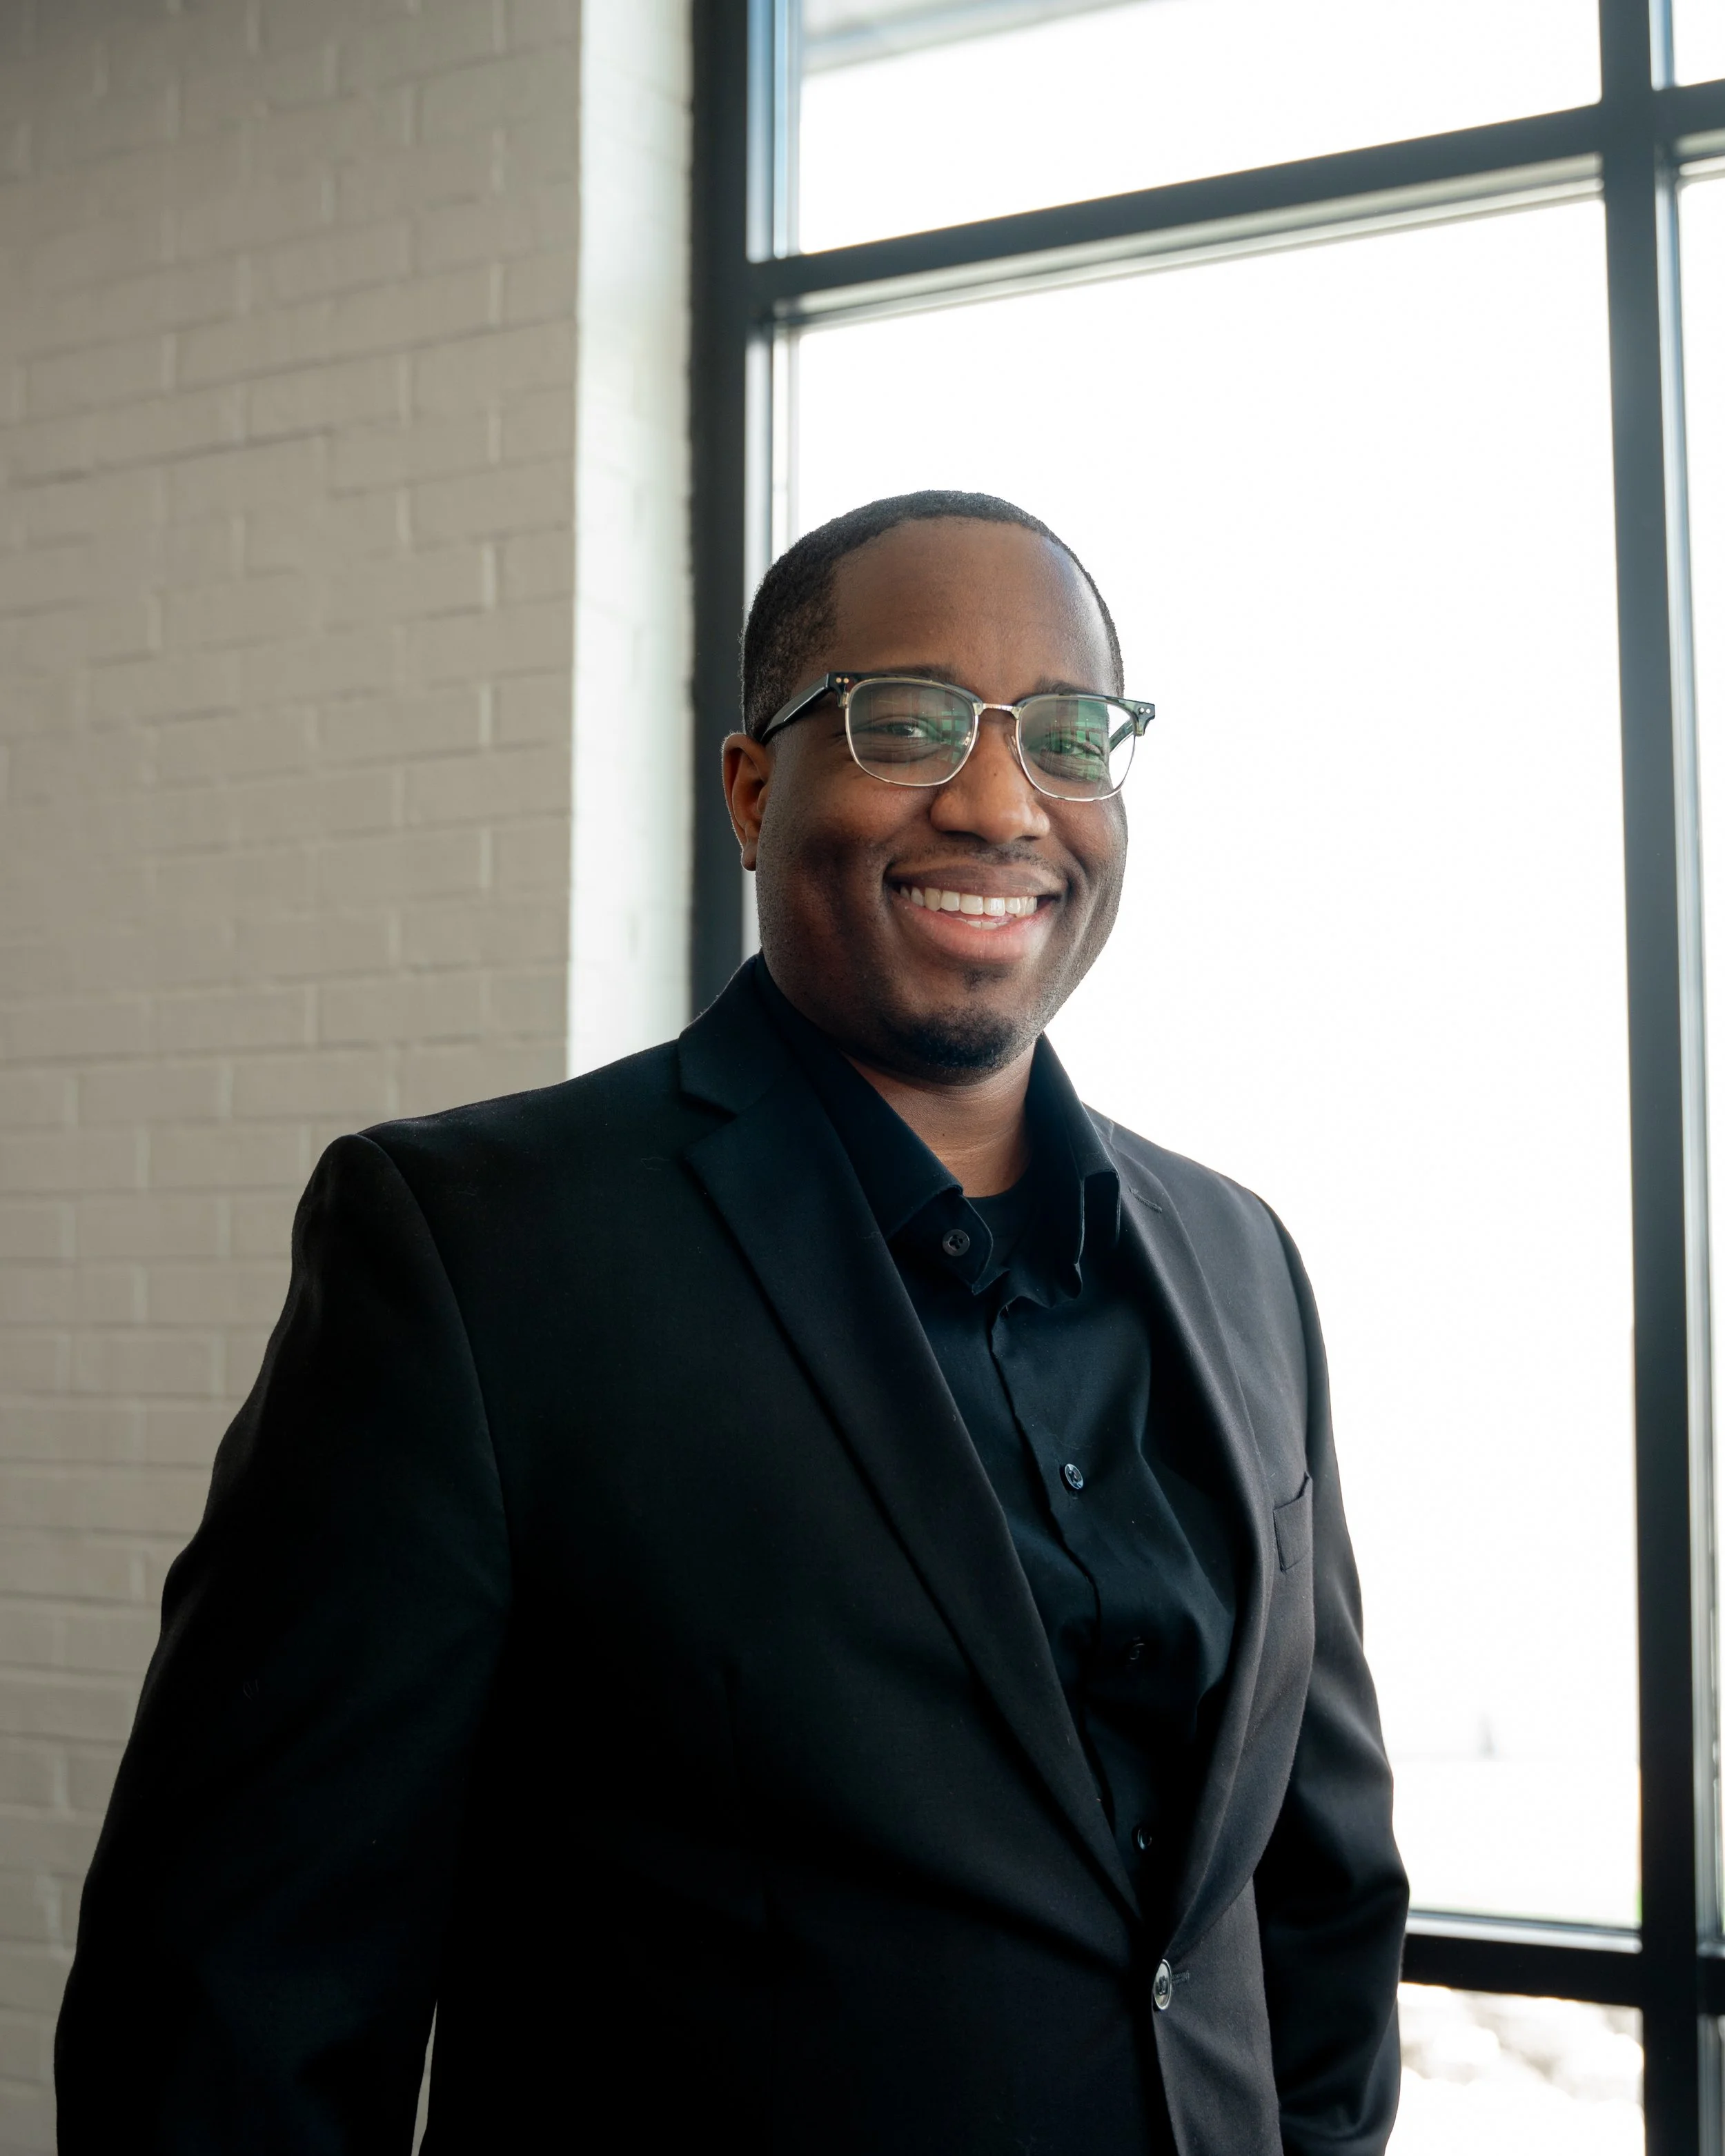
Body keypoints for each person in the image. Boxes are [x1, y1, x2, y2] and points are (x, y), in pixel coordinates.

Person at [56, 490, 1407, 2155]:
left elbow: (1320, 1898)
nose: (1000, 801)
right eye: (906, 720)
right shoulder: (476, 1252)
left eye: (1067, 735)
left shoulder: (1240, 1261)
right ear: (755, 789)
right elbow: (230, 2008)